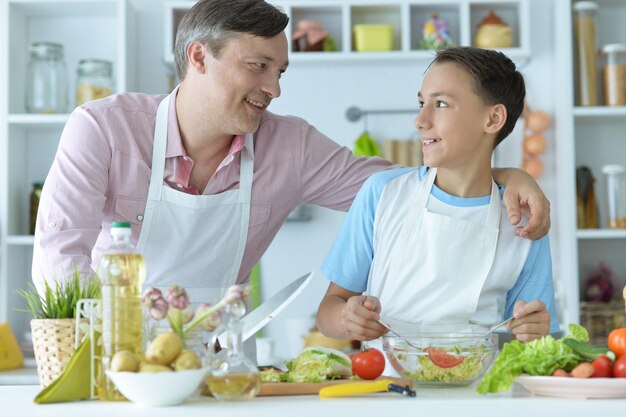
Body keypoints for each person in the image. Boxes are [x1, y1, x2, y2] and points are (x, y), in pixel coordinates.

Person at [33, 1, 549, 356]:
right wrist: (110, 354)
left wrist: (500, 170)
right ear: (198, 58)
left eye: (280, 72)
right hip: (116, 355)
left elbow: (403, 189)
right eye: (259, 66)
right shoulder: (103, 128)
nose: (273, 89)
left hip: (223, 356)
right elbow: (60, 256)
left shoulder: (289, 145)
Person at [315, 47, 558, 363]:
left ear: (493, 118)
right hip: (385, 393)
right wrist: (347, 319)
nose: (419, 120)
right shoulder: (382, 193)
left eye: (441, 104)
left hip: (479, 396)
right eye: (421, 103)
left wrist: (535, 331)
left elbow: (533, 340)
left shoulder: (524, 221)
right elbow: (328, 311)